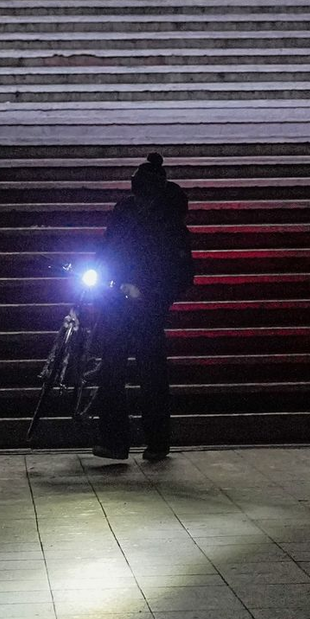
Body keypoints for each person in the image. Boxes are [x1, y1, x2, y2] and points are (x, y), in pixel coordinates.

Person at [90, 152, 193, 462]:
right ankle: (114, 441)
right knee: (113, 369)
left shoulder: (170, 223)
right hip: (117, 300)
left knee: (150, 372)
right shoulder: (125, 211)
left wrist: (149, 292)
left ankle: (157, 441)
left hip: (149, 304)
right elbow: (109, 247)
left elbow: (177, 271)